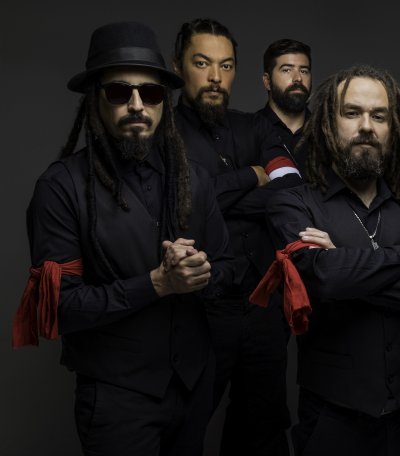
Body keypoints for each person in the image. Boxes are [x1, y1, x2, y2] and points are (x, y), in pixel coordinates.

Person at [14, 21, 233, 456]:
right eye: (119, 92)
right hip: (117, 399)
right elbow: (61, 308)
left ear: (163, 101)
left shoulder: (195, 179)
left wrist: (201, 272)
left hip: (193, 389)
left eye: (150, 93)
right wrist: (156, 284)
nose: (137, 105)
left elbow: (230, 270)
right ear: (96, 98)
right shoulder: (61, 188)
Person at [265, 64, 400, 456]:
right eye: (352, 113)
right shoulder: (294, 203)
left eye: (379, 116)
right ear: (328, 123)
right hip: (332, 420)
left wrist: (347, 271)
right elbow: (322, 280)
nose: (367, 127)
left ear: (393, 129)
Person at [172, 18, 301, 456]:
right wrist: (251, 175)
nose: (215, 77)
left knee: (263, 427)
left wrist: (214, 195)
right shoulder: (163, 135)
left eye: (226, 66)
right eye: (202, 63)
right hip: (200, 311)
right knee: (184, 428)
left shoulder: (257, 128)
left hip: (264, 307)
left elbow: (292, 191)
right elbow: (183, 205)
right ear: (178, 67)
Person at [257, 38, 312, 173]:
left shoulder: (327, 133)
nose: (298, 78)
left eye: (304, 71)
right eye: (287, 70)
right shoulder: (249, 132)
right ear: (267, 81)